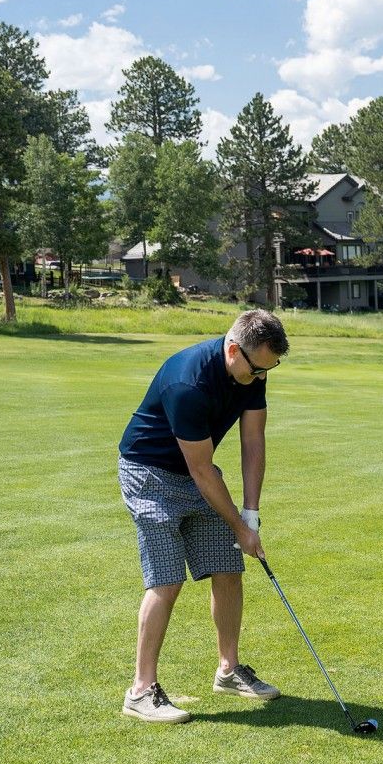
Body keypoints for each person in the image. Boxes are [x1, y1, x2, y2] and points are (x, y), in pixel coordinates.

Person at [117, 309, 289, 723]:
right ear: (233, 350)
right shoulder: (187, 383)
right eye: (257, 370)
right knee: (167, 580)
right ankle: (140, 692)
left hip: (199, 474)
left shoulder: (252, 372)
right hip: (151, 476)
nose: (262, 377)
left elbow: (253, 440)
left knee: (227, 570)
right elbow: (201, 468)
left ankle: (228, 671)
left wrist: (251, 514)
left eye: (271, 369)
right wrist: (237, 526)